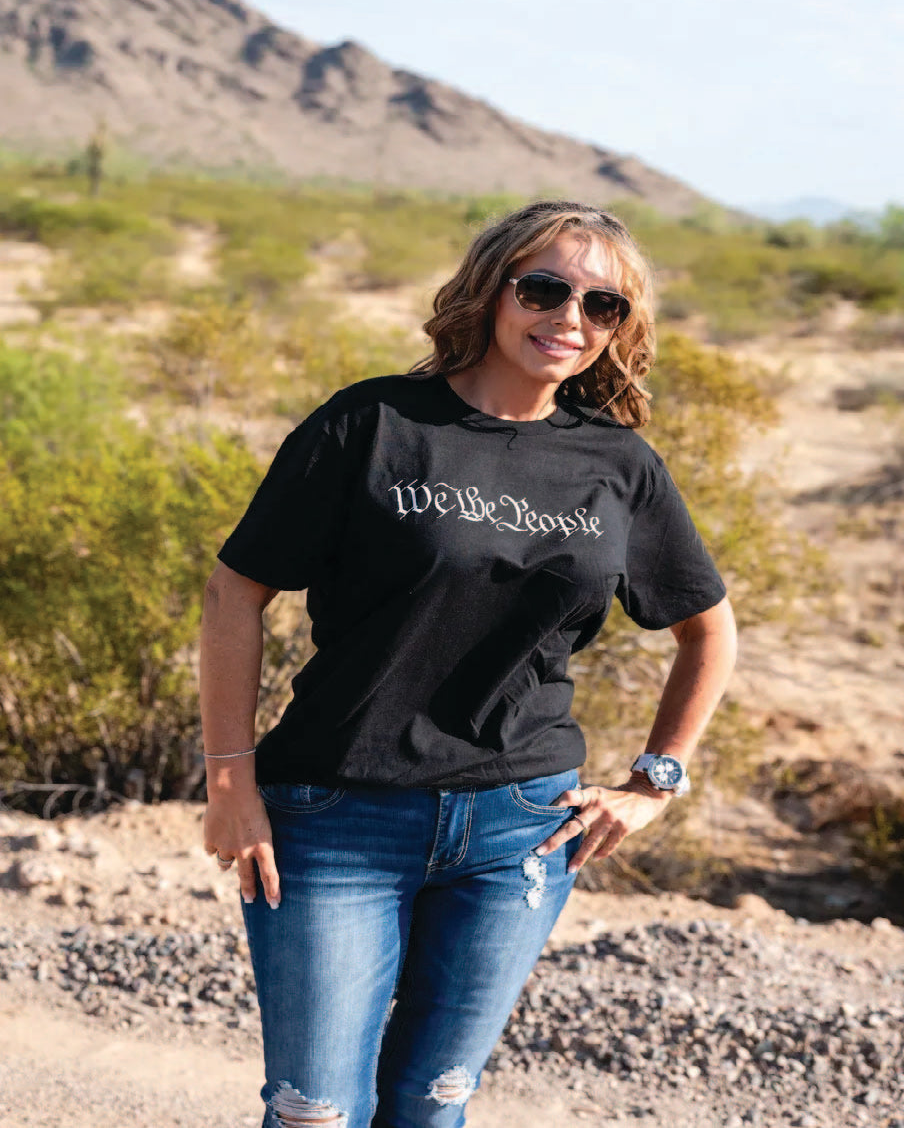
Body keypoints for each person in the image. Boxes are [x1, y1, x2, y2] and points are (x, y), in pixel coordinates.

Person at [199, 200, 737, 1128]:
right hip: (336, 817)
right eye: (545, 289)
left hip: (519, 828)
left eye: (602, 304)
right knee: (316, 1107)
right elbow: (233, 593)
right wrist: (229, 781)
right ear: (492, 290)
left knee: (431, 1103)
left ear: (620, 326)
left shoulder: (618, 465)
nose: (569, 318)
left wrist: (654, 781)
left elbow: (709, 629)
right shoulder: (372, 423)